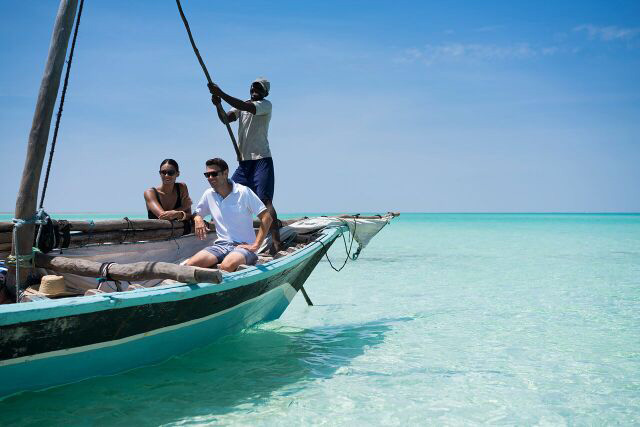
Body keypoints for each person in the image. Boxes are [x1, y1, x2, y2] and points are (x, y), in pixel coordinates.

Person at [208, 78, 282, 252]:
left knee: (264, 200)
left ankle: (277, 242)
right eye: (253, 87)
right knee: (225, 192)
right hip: (244, 162)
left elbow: (245, 107)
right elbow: (226, 119)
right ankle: (226, 236)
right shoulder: (242, 105)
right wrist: (218, 105)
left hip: (261, 159)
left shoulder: (265, 105)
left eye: (259, 88)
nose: (255, 90)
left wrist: (221, 94)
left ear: (266, 93)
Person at [185, 158, 272, 272]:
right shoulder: (208, 194)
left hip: (244, 246)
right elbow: (197, 213)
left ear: (225, 173)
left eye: (214, 174)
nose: (210, 178)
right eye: (207, 175)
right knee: (190, 265)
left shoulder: (244, 192)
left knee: (226, 266)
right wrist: (198, 218)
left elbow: (267, 218)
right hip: (220, 245)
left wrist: (255, 245)